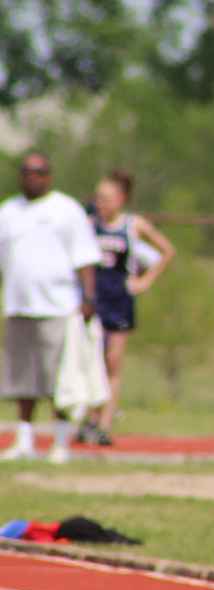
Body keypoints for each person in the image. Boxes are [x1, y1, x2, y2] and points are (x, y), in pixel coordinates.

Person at [0, 153, 101, 465]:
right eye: (27, 171)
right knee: (22, 378)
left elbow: (84, 257)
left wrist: (89, 298)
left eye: (39, 171)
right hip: (19, 305)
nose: (32, 176)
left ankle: (60, 441)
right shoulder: (8, 211)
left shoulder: (66, 210)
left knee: (57, 378)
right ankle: (25, 439)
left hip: (57, 306)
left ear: (50, 176)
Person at [76, 171, 176, 446]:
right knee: (89, 361)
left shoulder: (133, 225)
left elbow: (166, 251)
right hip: (94, 300)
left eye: (106, 199)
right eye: (98, 198)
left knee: (112, 362)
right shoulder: (89, 224)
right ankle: (90, 418)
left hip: (119, 300)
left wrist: (144, 282)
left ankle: (105, 424)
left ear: (121, 199)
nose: (101, 204)